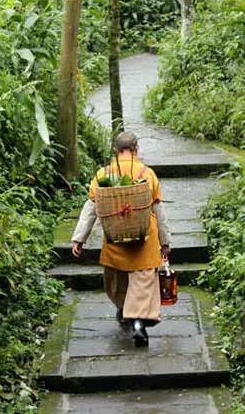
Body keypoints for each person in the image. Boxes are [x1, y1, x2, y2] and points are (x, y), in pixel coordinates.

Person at [71, 132, 171, 347]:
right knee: (143, 282)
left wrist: (79, 238)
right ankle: (138, 321)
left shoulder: (103, 174)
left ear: (116, 151)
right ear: (136, 150)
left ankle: (125, 311)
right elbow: (158, 209)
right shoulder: (148, 173)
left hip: (114, 238)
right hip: (144, 238)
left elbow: (91, 208)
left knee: (117, 281)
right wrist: (165, 241)